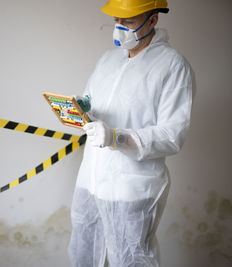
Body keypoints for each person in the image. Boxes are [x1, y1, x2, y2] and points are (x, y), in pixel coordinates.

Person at [69, 0, 193, 266]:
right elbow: (94, 100)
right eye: (116, 21)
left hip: (131, 185)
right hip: (91, 177)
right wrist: (83, 107)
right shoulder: (108, 59)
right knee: (85, 251)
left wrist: (117, 138)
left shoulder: (172, 66)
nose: (119, 27)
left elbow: (172, 134)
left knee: (131, 258)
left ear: (153, 20)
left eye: (128, 21)